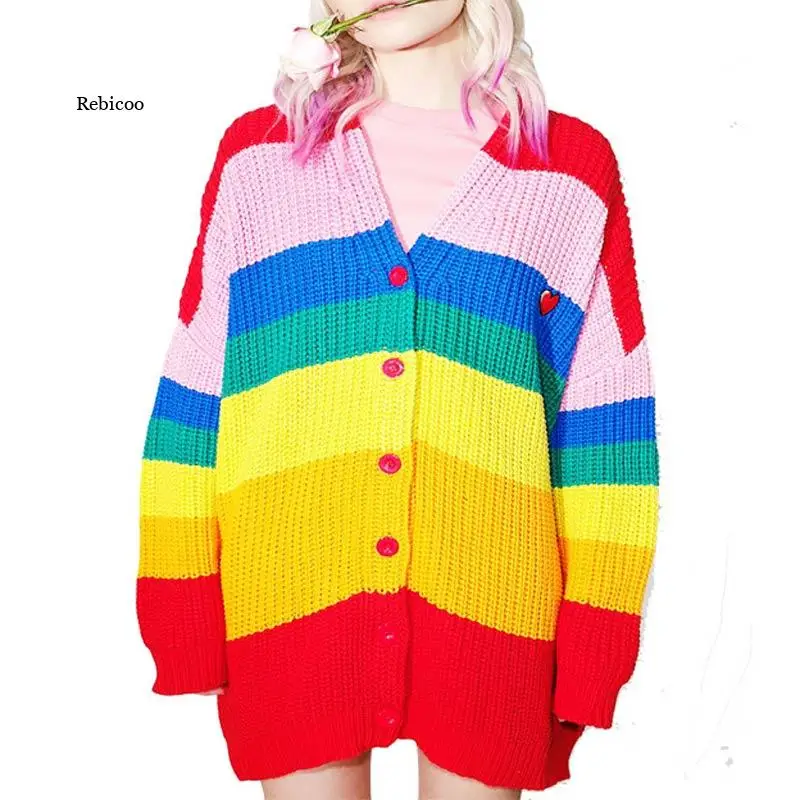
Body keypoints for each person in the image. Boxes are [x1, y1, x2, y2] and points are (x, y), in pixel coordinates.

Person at [136, 1, 661, 798]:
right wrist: (182, 611)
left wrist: (595, 649)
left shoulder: (567, 169)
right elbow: (196, 391)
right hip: (291, 594)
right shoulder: (259, 158)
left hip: (494, 609)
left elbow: (605, 432)